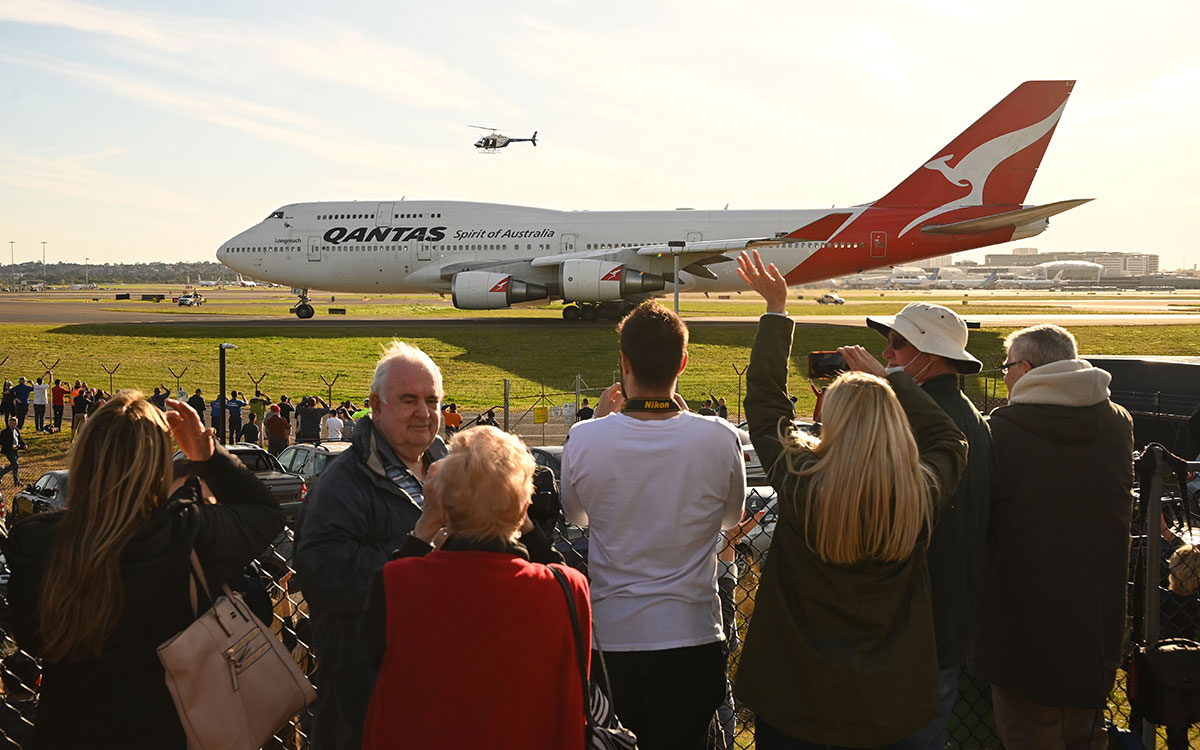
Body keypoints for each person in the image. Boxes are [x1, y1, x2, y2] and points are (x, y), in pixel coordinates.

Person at [732, 251, 967, 749]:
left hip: (798, 701)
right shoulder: (917, 494)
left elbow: (767, 404)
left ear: (830, 424)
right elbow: (949, 441)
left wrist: (777, 312)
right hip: (891, 704)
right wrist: (894, 380)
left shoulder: (802, 480)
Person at [2, 391, 284, 749]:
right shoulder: (185, 534)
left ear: (85, 461)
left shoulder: (38, 543)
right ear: (156, 466)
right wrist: (206, 454)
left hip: (69, 729)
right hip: (168, 728)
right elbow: (266, 512)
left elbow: (30, 637)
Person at [561, 300, 746, 749]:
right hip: (694, 635)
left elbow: (576, 516)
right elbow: (730, 518)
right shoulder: (719, 437)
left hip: (613, 638)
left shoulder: (585, 438)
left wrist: (601, 423)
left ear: (623, 363)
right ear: (683, 361)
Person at [360, 426, 589, 748]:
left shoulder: (399, 583)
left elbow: (371, 651)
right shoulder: (565, 589)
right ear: (524, 510)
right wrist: (522, 518)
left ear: (445, 509)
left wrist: (426, 524)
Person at [972, 324, 1133, 750]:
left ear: (1025, 368)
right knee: (1087, 734)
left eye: (1006, 367)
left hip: (1023, 623)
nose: (1004, 377)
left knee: (1027, 732)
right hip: (1096, 623)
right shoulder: (1117, 422)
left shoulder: (1003, 428)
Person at [295, 341, 449, 749]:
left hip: (438, 690)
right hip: (365, 697)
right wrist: (420, 538)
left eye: (432, 400)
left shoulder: (444, 463)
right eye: (409, 400)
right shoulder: (343, 482)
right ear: (375, 407)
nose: (424, 412)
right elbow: (325, 575)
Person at [866, 303, 995, 750]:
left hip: (907, 616)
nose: (888, 352)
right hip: (951, 614)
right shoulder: (972, 419)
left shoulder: (914, 418)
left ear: (929, 353)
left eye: (898, 343)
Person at [0, 417, 27, 487]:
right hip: (9, 451)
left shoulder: (16, 430)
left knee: (15, 466)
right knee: (15, 464)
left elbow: (19, 439)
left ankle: (16, 482)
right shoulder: (5, 432)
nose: (15, 425)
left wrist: (24, 445)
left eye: (16, 424)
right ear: (10, 423)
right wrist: (11, 446)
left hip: (16, 450)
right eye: (13, 424)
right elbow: (2, 442)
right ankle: (1, 473)